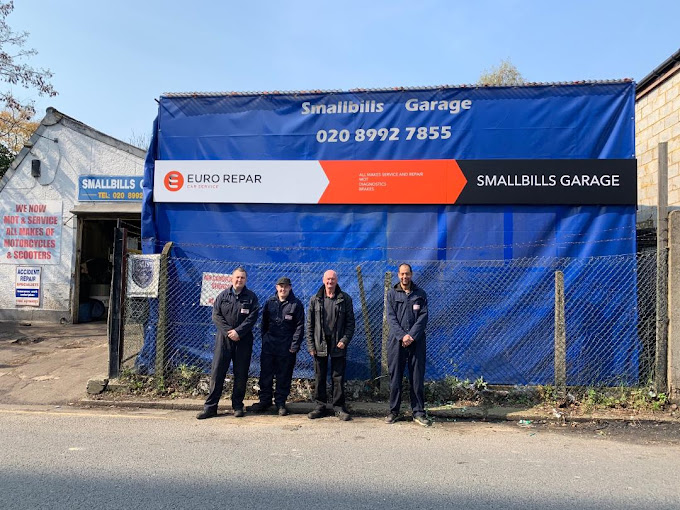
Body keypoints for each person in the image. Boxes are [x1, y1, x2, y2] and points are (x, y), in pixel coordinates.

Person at [197, 267, 260, 419]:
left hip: (243, 341)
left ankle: (237, 406)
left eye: (242, 278)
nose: (239, 280)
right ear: (232, 279)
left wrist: (238, 332)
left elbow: (253, 317)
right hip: (224, 340)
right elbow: (216, 316)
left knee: (241, 374)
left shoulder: (251, 297)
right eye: (237, 277)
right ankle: (211, 407)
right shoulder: (223, 296)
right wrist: (228, 332)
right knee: (217, 373)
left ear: (246, 280)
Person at [248, 277, 304, 416]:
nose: (283, 289)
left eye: (285, 287)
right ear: (276, 287)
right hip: (269, 346)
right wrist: (266, 340)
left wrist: (294, 345)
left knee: (283, 376)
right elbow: (264, 324)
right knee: (265, 375)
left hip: (287, 348)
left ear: (290, 288)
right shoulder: (270, 302)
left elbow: (300, 326)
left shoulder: (296, 304)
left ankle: (280, 403)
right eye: (280, 286)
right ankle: (265, 401)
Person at [306, 269, 355, 421]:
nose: (330, 282)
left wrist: (344, 340)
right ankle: (320, 406)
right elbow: (309, 325)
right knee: (319, 376)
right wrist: (311, 345)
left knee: (338, 377)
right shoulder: (315, 299)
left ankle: (339, 407)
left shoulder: (345, 299)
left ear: (336, 281)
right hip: (320, 342)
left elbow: (350, 323)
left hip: (338, 343)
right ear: (323, 280)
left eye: (333, 279)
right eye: (328, 279)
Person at [385, 263, 430, 426]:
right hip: (397, 342)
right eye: (402, 274)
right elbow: (391, 318)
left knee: (417, 377)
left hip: (416, 342)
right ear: (398, 275)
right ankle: (393, 411)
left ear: (411, 274)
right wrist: (403, 336)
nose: (405, 277)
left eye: (407, 274)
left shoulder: (420, 294)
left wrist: (411, 336)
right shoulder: (391, 294)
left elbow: (423, 318)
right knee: (395, 377)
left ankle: (418, 412)